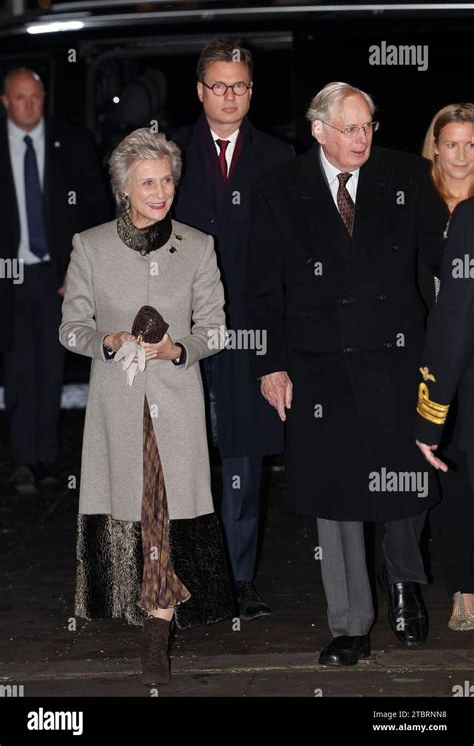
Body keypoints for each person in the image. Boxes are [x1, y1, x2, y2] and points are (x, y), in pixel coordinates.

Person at [246, 81, 448, 666]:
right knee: (334, 495)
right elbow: (262, 288)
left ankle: (406, 585)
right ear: (319, 131)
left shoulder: (408, 176)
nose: (362, 138)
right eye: (350, 128)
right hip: (319, 366)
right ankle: (350, 623)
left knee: (405, 479)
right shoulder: (278, 190)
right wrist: (270, 363)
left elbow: (439, 261)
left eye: (368, 126)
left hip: (398, 356)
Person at [59, 128, 234, 685]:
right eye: (148, 182)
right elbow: (71, 329)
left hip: (176, 408)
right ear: (123, 188)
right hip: (118, 409)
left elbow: (216, 332)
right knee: (134, 517)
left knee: (162, 516)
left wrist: (177, 349)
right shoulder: (89, 246)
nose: (160, 192)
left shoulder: (198, 247)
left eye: (167, 181)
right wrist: (106, 342)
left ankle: (156, 636)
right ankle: (147, 614)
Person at [172, 39, 294, 620]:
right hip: (178, 334)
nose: (229, 95)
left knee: (244, 461)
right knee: (182, 459)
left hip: (251, 334)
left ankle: (240, 579)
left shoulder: (279, 157)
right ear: (200, 91)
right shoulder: (166, 152)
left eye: (239, 85)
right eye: (218, 85)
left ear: (252, 91)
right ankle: (190, 580)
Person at [0, 67, 110, 493]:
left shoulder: (72, 142)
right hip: (10, 275)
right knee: (17, 366)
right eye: (20, 97)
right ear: (6, 102)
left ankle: (45, 457)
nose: (29, 105)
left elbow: (94, 209)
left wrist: (79, 267)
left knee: (52, 365)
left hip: (56, 274)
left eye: (35, 96)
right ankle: (23, 459)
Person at [418, 104, 474, 629]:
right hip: (428, 357)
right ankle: (462, 589)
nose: (460, 155)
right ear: (435, 146)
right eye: (451, 143)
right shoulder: (416, 202)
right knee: (450, 476)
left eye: (470, 144)